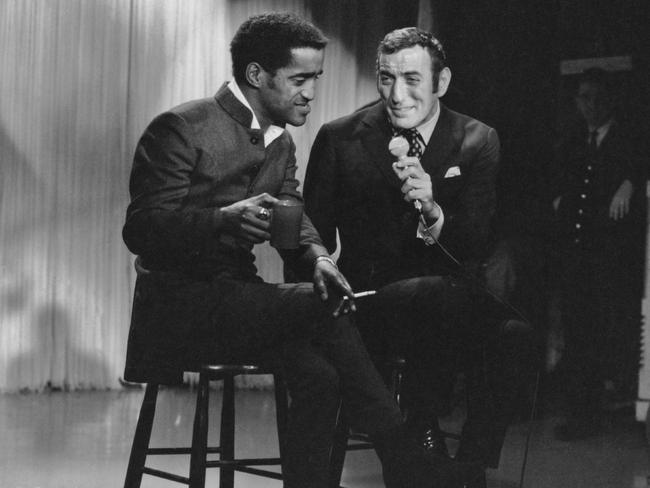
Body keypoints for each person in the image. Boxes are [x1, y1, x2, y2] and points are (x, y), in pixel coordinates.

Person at [122, 13, 481, 488]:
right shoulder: (181, 127)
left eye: (316, 78)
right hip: (178, 307)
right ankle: (401, 453)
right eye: (300, 79)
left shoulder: (282, 143)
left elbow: (299, 223)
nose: (311, 91)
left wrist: (322, 261)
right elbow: (142, 229)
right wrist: (220, 220)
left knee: (321, 377)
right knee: (320, 303)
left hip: (240, 305)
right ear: (257, 76)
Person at [304, 27, 531, 487]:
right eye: (386, 78)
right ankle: (424, 425)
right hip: (368, 303)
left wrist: (433, 210)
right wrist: (318, 284)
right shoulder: (340, 137)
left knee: (517, 336)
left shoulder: (477, 138)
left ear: (441, 82)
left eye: (411, 78)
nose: (396, 94)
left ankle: (470, 463)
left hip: (453, 303)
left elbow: (475, 242)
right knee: (432, 293)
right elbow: (312, 238)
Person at [550, 67, 645, 441]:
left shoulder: (629, 138)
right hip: (576, 257)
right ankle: (580, 414)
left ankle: (595, 412)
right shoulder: (574, 139)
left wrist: (630, 182)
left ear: (612, 100)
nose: (591, 105)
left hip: (610, 261)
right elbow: (558, 181)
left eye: (598, 97)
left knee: (602, 336)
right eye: (584, 98)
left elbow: (639, 165)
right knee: (576, 334)